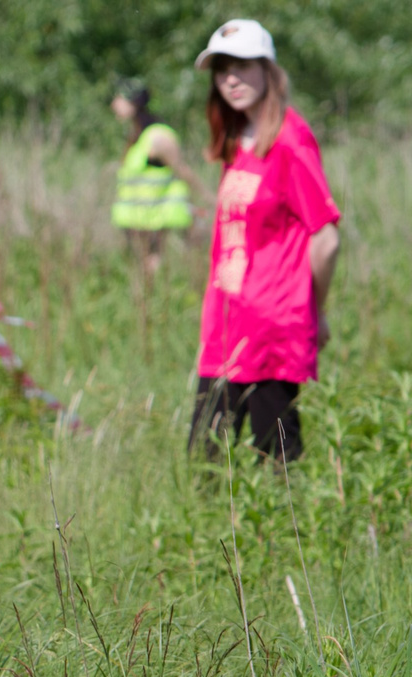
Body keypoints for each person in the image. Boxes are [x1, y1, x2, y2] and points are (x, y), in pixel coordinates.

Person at [190, 19, 341, 463]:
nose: (230, 79)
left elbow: (326, 238)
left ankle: (285, 538)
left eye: (242, 66)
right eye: (221, 70)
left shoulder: (291, 140)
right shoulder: (237, 139)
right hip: (226, 325)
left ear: (268, 71)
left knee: (276, 461)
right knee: (204, 460)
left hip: (272, 329)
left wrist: (317, 309)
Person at [108, 78, 198, 274]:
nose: (113, 104)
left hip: (156, 220)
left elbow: (182, 171)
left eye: (119, 98)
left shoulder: (158, 136)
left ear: (134, 102)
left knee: (153, 268)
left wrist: (208, 201)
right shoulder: (137, 135)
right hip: (140, 221)